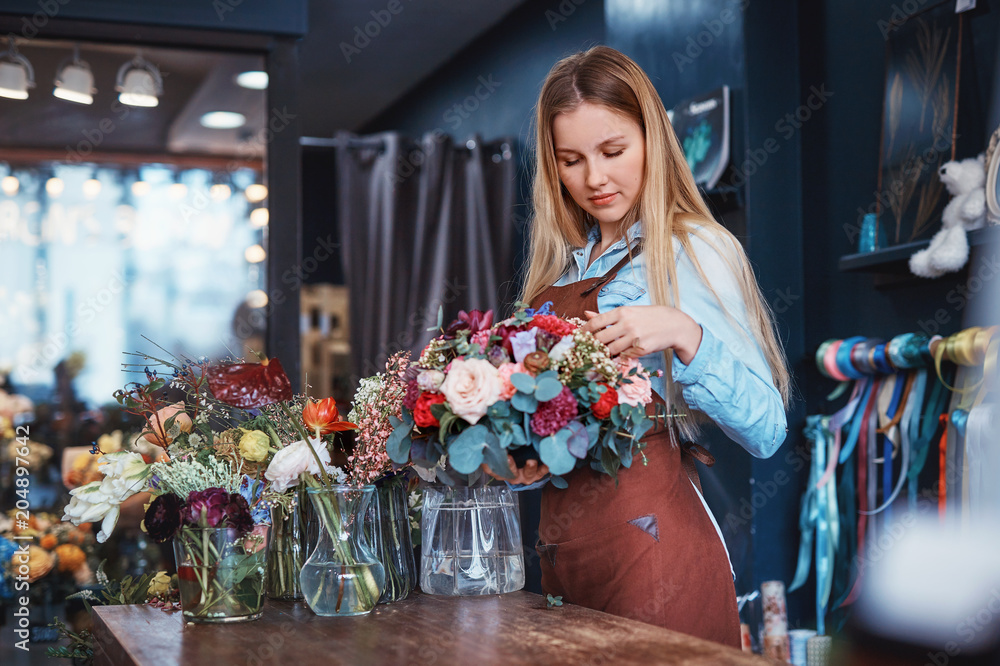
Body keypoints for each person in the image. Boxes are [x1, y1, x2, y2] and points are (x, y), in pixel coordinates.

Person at [504, 46, 791, 648]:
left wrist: (685, 333)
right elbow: (544, 455)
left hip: (656, 557)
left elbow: (768, 431)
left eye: (613, 152)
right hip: (562, 557)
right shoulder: (556, 273)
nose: (595, 179)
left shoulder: (692, 249)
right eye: (571, 161)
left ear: (652, 140)